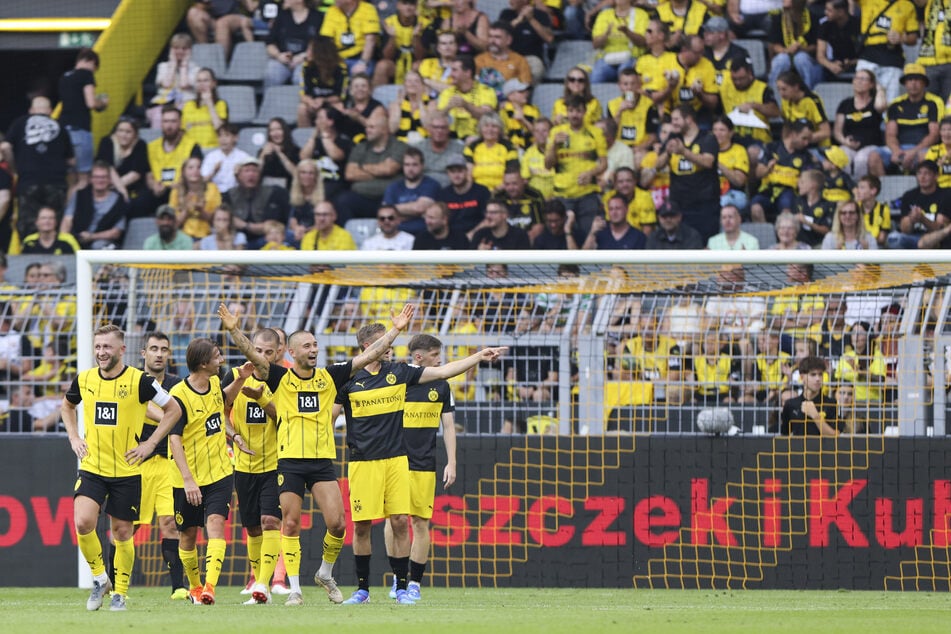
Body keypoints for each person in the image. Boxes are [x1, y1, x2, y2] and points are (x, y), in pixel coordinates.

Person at [244, 304, 417, 606]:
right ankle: (295, 589)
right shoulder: (280, 378)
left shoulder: (330, 376)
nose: (314, 349)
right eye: (308, 345)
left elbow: (368, 355)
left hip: (322, 462)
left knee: (338, 524)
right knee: (291, 523)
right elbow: (254, 356)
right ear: (293, 353)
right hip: (290, 461)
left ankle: (325, 573)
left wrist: (397, 330)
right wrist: (234, 329)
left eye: (315, 345)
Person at [334, 322, 506, 605]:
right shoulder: (347, 377)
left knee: (402, 521)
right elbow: (327, 417)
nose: (390, 345)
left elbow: (443, 372)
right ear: (367, 347)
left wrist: (477, 357)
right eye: (383, 341)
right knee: (362, 526)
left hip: (398, 462)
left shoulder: (400, 372)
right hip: (363, 463)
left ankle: (403, 588)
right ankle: (362, 590)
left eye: (391, 340)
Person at [61, 324, 182, 611]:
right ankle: (100, 578)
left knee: (122, 533)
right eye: (98, 347)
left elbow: (173, 409)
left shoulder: (140, 381)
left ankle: (120, 594)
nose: (101, 352)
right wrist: (74, 437)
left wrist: (150, 444)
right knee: (82, 522)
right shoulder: (85, 379)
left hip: (127, 471)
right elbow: (67, 406)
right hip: (93, 467)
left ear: (121, 350)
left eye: (107, 347)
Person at [167, 338, 254, 605]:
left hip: (219, 472)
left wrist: (241, 379)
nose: (221, 359)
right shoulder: (178, 396)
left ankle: (210, 587)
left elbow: (222, 405)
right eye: (217, 356)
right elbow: (174, 439)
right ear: (204, 363)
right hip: (187, 477)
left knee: (216, 525)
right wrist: (188, 480)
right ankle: (194, 587)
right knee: (188, 535)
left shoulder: (215, 383)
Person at [215, 310, 285, 605]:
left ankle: (264, 585)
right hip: (242, 464)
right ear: (251, 348)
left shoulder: (283, 379)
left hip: (275, 463)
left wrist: (262, 398)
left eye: (269, 352)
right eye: (258, 350)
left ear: (278, 353)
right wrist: (235, 436)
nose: (262, 356)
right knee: (253, 527)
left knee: (271, 521)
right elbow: (219, 412)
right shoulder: (234, 375)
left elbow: (284, 417)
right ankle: (260, 580)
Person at [381, 334, 456, 601]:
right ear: (419, 357)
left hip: (425, 464)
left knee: (420, 522)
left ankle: (415, 583)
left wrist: (452, 461)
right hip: (395, 461)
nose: (440, 360)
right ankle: (398, 578)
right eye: (436, 355)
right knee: (393, 520)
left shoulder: (442, 386)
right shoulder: (398, 379)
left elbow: (448, 426)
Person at [132, 332, 187, 599]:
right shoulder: (133, 382)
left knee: (170, 523)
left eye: (164, 349)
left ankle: (178, 587)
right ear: (143, 353)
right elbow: (142, 410)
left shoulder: (178, 385)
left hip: (169, 463)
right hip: (135, 461)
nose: (159, 354)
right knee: (126, 525)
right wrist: (168, 415)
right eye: (153, 348)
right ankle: (112, 583)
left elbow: (184, 418)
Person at [1, 96, 74, 241]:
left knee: (28, 226)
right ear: (50, 111)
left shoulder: (20, 122)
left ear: (31, 110)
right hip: (55, 184)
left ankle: (29, 256)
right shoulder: (60, 126)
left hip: (28, 182)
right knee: (53, 223)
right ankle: (52, 255)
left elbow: (5, 146)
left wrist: (15, 168)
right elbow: (72, 161)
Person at [546, 94, 607, 236]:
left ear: (584, 112)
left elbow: (604, 164)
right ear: (567, 112)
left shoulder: (595, 132)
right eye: (571, 111)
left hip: (587, 193)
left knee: (591, 234)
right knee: (564, 236)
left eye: (578, 111)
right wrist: (554, 146)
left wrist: (591, 173)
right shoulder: (556, 132)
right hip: (562, 193)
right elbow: (548, 165)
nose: (575, 115)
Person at [655, 104, 720, 239]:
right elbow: (658, 165)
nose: (673, 123)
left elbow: (708, 162)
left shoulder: (707, 138)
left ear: (689, 119)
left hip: (704, 206)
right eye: (672, 119)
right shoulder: (673, 137)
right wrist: (667, 152)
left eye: (676, 119)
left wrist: (683, 152)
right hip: (680, 206)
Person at [339, 112, 409, 219]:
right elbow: (350, 174)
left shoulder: (399, 147)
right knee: (342, 200)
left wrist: (362, 167)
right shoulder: (360, 147)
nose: (367, 130)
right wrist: (379, 171)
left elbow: (388, 169)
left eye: (372, 127)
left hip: (389, 199)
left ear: (384, 130)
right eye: (366, 127)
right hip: (362, 197)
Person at [58, 48, 108, 191]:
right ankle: (72, 212)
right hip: (79, 130)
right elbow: (91, 103)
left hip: (63, 130)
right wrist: (103, 103)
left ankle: (65, 210)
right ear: (91, 62)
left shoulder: (64, 77)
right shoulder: (86, 75)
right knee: (84, 179)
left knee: (71, 178)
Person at [750, 120, 817, 223]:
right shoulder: (771, 148)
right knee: (755, 209)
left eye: (808, 140)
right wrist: (768, 169)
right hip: (767, 190)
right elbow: (758, 174)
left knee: (786, 212)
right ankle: (766, 237)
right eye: (804, 138)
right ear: (793, 134)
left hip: (789, 192)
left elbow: (807, 179)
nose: (806, 143)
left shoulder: (806, 156)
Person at [883, 64, 944, 175]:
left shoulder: (935, 102)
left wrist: (913, 151)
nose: (913, 83)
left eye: (917, 79)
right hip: (899, 148)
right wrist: (896, 150)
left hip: (923, 148)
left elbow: (934, 134)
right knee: (873, 157)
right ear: (905, 83)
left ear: (924, 83)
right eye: (910, 79)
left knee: (925, 157)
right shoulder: (895, 104)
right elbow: (890, 134)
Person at [855, 0, 919, 106]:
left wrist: (902, 38)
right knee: (862, 98)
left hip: (892, 57)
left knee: (891, 103)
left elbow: (913, 38)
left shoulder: (907, 5)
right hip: (868, 55)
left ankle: (887, 122)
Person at [222, 156, 291, 248]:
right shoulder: (228, 196)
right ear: (238, 175)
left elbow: (270, 226)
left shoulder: (274, 193)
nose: (251, 174)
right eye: (247, 171)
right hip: (237, 240)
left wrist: (244, 225)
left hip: (265, 240)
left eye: (254, 171)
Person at [833, 69, 887, 179]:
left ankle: (861, 190)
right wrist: (845, 141)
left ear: (871, 84)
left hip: (871, 145)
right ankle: (847, 188)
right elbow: (837, 130)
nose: (859, 81)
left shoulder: (874, 103)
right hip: (849, 144)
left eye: (863, 79)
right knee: (842, 156)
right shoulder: (845, 104)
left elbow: (881, 107)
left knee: (861, 159)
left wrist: (880, 89)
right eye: (856, 78)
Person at [61, 161, 128, 249]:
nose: (100, 180)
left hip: (104, 244)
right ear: (90, 179)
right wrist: (63, 241)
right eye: (96, 177)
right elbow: (67, 220)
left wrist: (91, 236)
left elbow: (116, 233)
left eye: (103, 177)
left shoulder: (119, 200)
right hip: (77, 240)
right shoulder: (79, 195)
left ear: (110, 180)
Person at [146, 105, 203, 208]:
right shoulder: (151, 147)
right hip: (156, 192)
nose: (169, 126)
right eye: (166, 121)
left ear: (180, 123)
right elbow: (148, 173)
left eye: (173, 121)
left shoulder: (192, 146)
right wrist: (153, 185)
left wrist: (173, 186)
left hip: (181, 191)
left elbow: (195, 174)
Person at [888, 160, 950, 248]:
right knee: (894, 238)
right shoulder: (909, 195)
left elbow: (940, 228)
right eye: (919, 173)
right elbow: (904, 229)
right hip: (913, 237)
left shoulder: (946, 195)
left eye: (927, 173)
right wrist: (911, 219)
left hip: (935, 238)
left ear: (936, 176)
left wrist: (923, 219)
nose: (922, 177)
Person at [436, 55, 498, 143]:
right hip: (451, 139)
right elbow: (437, 119)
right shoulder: (447, 93)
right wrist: (447, 108)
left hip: (480, 138)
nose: (450, 74)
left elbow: (486, 116)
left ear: (468, 73)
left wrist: (466, 105)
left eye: (455, 70)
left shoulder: (486, 91)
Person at [766, 0, 823, 94]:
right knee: (781, 60)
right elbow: (774, 45)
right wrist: (786, 50)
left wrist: (802, 49)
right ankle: (773, 95)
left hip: (806, 55)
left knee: (801, 59)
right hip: (784, 53)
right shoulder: (778, 17)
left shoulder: (813, 17)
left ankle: (808, 94)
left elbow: (816, 46)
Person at [264, 0, 324, 88]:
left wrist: (303, 57)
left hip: (306, 60)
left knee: (300, 78)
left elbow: (321, 44)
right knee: (271, 74)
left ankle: (303, 101)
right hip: (282, 60)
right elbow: (270, 43)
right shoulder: (281, 16)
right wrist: (278, 56)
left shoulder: (318, 17)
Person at [382, 147, 441, 235]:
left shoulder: (431, 184)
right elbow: (385, 212)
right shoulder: (393, 187)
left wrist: (396, 212)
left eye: (414, 165)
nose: (410, 169)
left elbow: (419, 208)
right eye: (407, 165)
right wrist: (416, 213)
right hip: (398, 235)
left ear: (422, 165)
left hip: (423, 234)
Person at [300, 106, 353, 202]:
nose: (316, 122)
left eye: (320, 118)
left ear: (330, 122)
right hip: (314, 181)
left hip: (335, 182)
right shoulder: (315, 141)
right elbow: (303, 157)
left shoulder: (343, 141)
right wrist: (314, 136)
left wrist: (324, 134)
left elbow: (336, 156)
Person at [148, 33, 200, 128]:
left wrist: (184, 66)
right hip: (165, 103)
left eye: (184, 48)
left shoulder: (196, 69)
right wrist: (173, 65)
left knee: (186, 116)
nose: (180, 51)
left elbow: (184, 84)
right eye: (176, 48)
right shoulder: (163, 66)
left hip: (187, 103)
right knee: (157, 116)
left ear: (190, 50)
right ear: (171, 50)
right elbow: (167, 84)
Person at [96, 116, 150, 208]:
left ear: (135, 134)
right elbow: (108, 168)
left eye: (128, 132)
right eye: (120, 131)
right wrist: (121, 190)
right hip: (108, 186)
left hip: (133, 189)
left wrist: (121, 190)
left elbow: (135, 174)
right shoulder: (107, 142)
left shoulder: (140, 145)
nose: (123, 135)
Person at [608, 68, 658, 165]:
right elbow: (610, 134)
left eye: (633, 84)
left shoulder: (649, 105)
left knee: (638, 159)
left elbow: (653, 136)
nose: (629, 88)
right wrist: (619, 112)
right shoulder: (612, 105)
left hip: (639, 149)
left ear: (639, 85)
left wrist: (637, 149)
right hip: (618, 148)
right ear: (620, 86)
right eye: (625, 84)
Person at [590, 0, 648, 83]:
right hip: (606, 59)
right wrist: (605, 35)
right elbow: (595, 44)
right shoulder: (604, 15)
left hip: (630, 58)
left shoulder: (641, 14)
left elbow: (643, 42)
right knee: (597, 74)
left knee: (624, 74)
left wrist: (627, 32)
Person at [320, 0, 382, 77]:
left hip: (360, 57)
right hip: (338, 58)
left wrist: (363, 63)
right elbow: (327, 39)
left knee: (360, 75)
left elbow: (371, 40)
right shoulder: (332, 10)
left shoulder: (368, 9)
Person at [780, 355, 839, 435]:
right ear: (801, 377)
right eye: (813, 375)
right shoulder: (790, 405)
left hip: (822, 447)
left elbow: (835, 437)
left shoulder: (831, 404)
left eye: (820, 374)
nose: (818, 379)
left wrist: (815, 416)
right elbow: (784, 436)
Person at [498, 0, 554, 84]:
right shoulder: (506, 14)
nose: (510, 1)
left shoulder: (540, 14)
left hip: (531, 59)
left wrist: (531, 19)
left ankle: (523, 93)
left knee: (534, 70)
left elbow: (549, 38)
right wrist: (518, 20)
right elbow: (499, 36)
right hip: (509, 57)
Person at [298, 36, 349, 127]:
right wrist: (311, 102)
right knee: (302, 109)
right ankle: (304, 138)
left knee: (328, 111)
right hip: (313, 104)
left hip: (332, 104)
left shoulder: (341, 68)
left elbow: (341, 96)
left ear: (320, 52)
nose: (307, 53)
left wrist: (324, 101)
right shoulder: (307, 67)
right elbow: (303, 95)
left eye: (310, 50)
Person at [437, 152, 491, 237]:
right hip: (451, 239)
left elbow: (489, 218)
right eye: (452, 171)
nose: (456, 175)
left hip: (478, 236)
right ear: (448, 173)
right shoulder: (443, 194)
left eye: (460, 171)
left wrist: (471, 235)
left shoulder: (482, 191)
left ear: (466, 171)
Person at [374, 0, 426, 87]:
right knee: (382, 66)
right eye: (405, 3)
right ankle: (377, 99)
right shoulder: (389, 23)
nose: (408, 7)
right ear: (398, 5)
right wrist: (392, 38)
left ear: (416, 6)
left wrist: (416, 37)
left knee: (419, 66)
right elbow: (387, 56)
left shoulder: (424, 23)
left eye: (411, 4)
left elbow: (420, 57)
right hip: (395, 64)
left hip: (414, 63)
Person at [170, 156, 222, 240]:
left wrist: (201, 211)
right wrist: (186, 210)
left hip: (207, 236)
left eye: (199, 167)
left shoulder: (212, 188)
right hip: (183, 237)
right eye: (191, 168)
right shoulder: (176, 191)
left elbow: (216, 221)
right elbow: (174, 224)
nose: (195, 171)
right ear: (183, 171)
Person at [475, 21, 532, 98]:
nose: (492, 41)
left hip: (509, 104)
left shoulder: (520, 60)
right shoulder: (479, 59)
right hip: (483, 102)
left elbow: (525, 88)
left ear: (508, 40)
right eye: (490, 36)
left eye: (497, 37)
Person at [775, 71, 830, 149]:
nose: (781, 94)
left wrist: (803, 139)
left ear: (796, 87)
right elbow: (786, 126)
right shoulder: (785, 101)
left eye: (784, 89)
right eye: (779, 89)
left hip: (815, 145)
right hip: (796, 145)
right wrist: (785, 144)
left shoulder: (812, 101)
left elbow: (826, 132)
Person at [464, 112, 518, 192]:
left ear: (500, 130)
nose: (490, 130)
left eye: (494, 126)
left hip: (502, 191)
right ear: (481, 129)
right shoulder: (472, 147)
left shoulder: (509, 147)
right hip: (477, 192)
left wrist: (495, 191)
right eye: (486, 126)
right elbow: (468, 176)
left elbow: (511, 175)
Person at [186, 0, 254, 59]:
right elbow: (199, 6)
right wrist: (206, 4)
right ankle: (205, 53)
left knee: (222, 23)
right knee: (193, 13)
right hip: (213, 19)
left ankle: (219, 62)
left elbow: (251, 7)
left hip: (234, 17)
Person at [412, 113, 465, 188]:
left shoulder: (459, 149)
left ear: (448, 130)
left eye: (443, 127)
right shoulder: (418, 148)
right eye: (435, 127)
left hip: (450, 191)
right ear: (429, 129)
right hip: (423, 191)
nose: (439, 131)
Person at [181, 68, 228, 149]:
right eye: (199, 81)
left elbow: (221, 130)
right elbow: (182, 131)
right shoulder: (188, 105)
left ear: (213, 83)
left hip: (214, 148)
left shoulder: (221, 104)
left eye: (205, 80)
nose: (202, 84)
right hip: (192, 150)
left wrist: (209, 103)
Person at [201, 123, 252, 195]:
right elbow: (202, 182)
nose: (223, 139)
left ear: (235, 138)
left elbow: (249, 183)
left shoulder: (243, 157)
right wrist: (214, 172)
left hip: (237, 194)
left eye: (227, 135)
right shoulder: (211, 157)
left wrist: (237, 175)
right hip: (215, 194)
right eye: (220, 136)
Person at [815, 0, 859, 82]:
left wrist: (851, 62)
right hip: (836, 62)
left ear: (841, 12)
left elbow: (867, 53)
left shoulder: (858, 25)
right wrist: (831, 65)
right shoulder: (825, 26)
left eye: (829, 10)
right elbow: (820, 56)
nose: (825, 12)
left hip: (857, 62)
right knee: (818, 70)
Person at [713, 115, 750, 212]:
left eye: (722, 130)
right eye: (715, 130)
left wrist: (718, 164)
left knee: (720, 203)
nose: (717, 133)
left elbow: (739, 181)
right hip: (711, 192)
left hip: (734, 193)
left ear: (731, 133)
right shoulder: (706, 150)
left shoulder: (739, 150)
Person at [791, 168, 833, 247]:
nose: (798, 184)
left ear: (813, 184)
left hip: (818, 245)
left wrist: (807, 222)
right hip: (798, 245)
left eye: (802, 182)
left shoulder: (827, 205)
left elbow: (827, 230)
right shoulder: (798, 201)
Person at [499, 167, 545, 237]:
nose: (511, 188)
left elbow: (539, 226)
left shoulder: (534, 196)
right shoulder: (499, 197)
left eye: (514, 184)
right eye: (507, 184)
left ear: (523, 181)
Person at [388, 71, 430, 144]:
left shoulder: (431, 103)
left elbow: (428, 127)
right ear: (404, 85)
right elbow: (392, 129)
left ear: (422, 85)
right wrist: (398, 106)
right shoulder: (395, 103)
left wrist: (420, 102)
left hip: (424, 143)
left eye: (416, 81)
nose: (412, 84)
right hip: (401, 143)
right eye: (409, 81)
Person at [258, 117, 299, 190]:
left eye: (279, 129)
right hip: (265, 190)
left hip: (287, 189)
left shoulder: (295, 150)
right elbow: (256, 174)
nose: (275, 133)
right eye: (272, 130)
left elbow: (296, 174)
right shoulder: (263, 151)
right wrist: (262, 156)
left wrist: (280, 154)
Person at [854, 174, 890, 246]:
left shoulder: (884, 209)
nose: (858, 191)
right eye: (858, 187)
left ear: (873, 191)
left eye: (862, 188)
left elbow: (882, 238)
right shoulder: (854, 207)